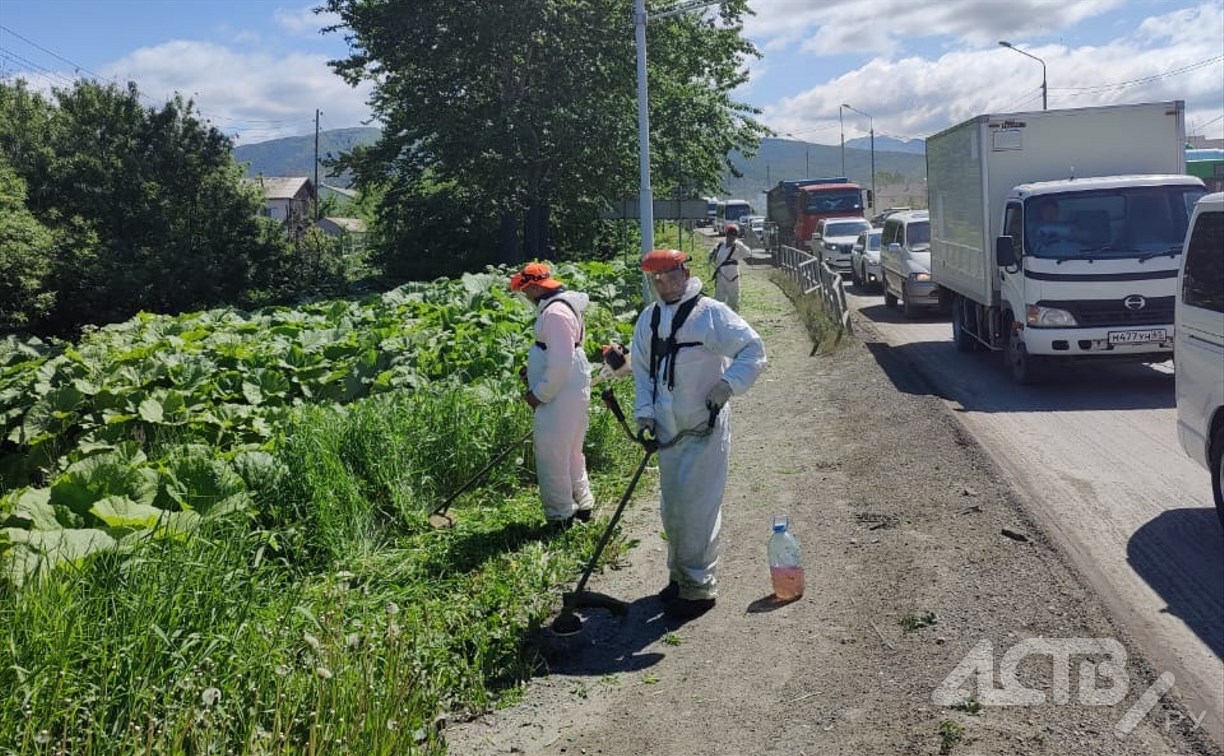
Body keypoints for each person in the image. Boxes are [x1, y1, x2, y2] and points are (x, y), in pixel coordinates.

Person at [630, 249, 767, 619]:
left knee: (697, 508)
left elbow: (753, 351)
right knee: (673, 507)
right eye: (654, 278)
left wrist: (727, 385)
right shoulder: (650, 317)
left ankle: (700, 587)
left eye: (668, 275)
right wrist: (644, 414)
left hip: (704, 427)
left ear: (684, 272)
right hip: (667, 431)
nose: (661, 283)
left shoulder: (711, 314)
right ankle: (680, 579)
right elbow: (642, 370)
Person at [509, 262, 595, 530]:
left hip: (559, 392)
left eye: (525, 292)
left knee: (552, 453)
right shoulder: (562, 306)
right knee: (570, 450)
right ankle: (582, 504)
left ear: (534, 287)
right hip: (569, 387)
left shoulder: (555, 313)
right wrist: (533, 370)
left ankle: (560, 516)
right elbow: (556, 354)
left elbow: (559, 364)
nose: (526, 298)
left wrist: (539, 393)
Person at [707, 224, 751, 312]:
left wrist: (738, 243)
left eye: (733, 235)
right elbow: (709, 259)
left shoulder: (738, 247)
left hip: (733, 278)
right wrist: (712, 255)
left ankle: (734, 317)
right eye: (729, 234)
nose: (731, 237)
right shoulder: (719, 246)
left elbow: (748, 253)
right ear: (726, 235)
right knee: (719, 299)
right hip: (721, 277)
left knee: (733, 300)